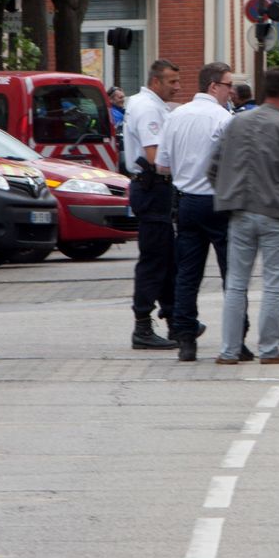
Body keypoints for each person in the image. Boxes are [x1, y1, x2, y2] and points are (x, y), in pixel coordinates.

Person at [210, 67, 279, 365]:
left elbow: (213, 167)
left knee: (236, 283)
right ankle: (269, 349)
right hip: (277, 213)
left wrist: (227, 194)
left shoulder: (236, 123)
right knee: (274, 283)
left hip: (240, 211)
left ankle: (229, 350)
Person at [157, 62, 242, 363]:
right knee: (231, 273)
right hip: (218, 201)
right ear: (213, 87)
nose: (232, 90)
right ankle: (237, 340)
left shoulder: (176, 116)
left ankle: (185, 339)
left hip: (186, 201)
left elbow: (162, 165)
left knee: (187, 275)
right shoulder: (223, 118)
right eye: (228, 84)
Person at [123, 59, 182, 350]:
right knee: (154, 261)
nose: (177, 87)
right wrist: (188, 169)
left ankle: (176, 320)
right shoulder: (148, 109)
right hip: (152, 188)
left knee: (167, 260)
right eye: (172, 81)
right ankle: (142, 327)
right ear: (156, 81)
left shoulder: (149, 104)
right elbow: (155, 158)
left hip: (154, 190)